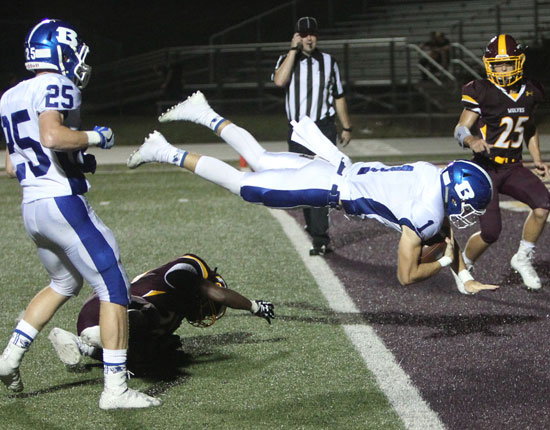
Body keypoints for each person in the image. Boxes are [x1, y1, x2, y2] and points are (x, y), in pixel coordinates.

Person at [128, 91, 499, 295]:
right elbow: (406, 275)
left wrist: (464, 278)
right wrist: (447, 265)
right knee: (243, 186)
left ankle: (202, 111)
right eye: (467, 205)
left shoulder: (430, 173)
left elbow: (444, 225)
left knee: (257, 158)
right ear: (458, 194)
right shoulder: (427, 214)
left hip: (333, 166)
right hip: (326, 186)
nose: (464, 214)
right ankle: (163, 150)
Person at [0, 19, 160, 409]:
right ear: (59, 52)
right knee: (114, 286)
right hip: (62, 204)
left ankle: (9, 358)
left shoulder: (10, 95)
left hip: (32, 206)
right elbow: (52, 136)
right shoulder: (57, 84)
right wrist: (95, 138)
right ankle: (116, 389)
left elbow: (11, 165)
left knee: (63, 283)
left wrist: (76, 161)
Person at [48, 253, 274, 373]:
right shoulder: (187, 270)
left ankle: (82, 344)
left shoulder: (177, 312)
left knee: (162, 350)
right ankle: (101, 335)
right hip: (104, 308)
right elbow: (218, 294)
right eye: (207, 308)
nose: (203, 315)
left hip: (107, 317)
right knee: (150, 318)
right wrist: (253, 306)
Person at [454, 34, 549, 290]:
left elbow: (528, 127)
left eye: (507, 63)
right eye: (497, 65)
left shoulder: (531, 90)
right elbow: (461, 128)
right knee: (491, 233)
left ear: (518, 62)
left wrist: (537, 159)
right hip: (486, 169)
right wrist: (471, 140)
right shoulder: (481, 90)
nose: (503, 69)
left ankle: (522, 257)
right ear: (489, 65)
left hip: (514, 166)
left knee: (543, 206)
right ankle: (463, 266)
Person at [272, 16, 353, 256]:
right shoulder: (288, 60)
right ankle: (313, 224)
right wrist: (292, 51)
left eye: (312, 34)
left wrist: (346, 126)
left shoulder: (329, 62)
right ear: (297, 36)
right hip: (298, 129)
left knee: (321, 181)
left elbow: (338, 95)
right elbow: (279, 81)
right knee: (302, 181)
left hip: (323, 128)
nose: (309, 38)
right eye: (304, 34)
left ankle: (320, 237)